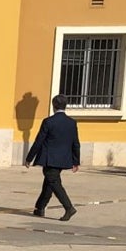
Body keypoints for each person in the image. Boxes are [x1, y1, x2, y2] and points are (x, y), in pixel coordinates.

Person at [25, 93, 80, 221]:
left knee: (54, 183)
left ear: (53, 105)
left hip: (49, 159)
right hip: (63, 159)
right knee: (49, 182)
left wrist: (29, 158)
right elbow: (76, 143)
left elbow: (39, 141)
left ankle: (69, 207)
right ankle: (40, 208)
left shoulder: (48, 121)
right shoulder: (71, 123)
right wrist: (76, 161)